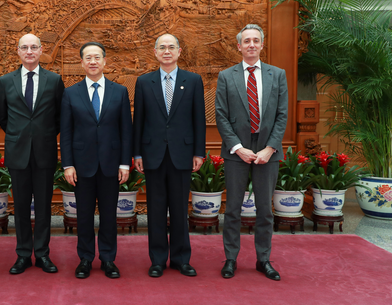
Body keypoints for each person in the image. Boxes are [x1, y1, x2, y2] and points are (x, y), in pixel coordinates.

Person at [215, 24, 288, 281]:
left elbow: (282, 115)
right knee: (233, 209)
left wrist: (270, 148)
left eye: (256, 40)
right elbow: (221, 116)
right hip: (237, 151)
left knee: (265, 210)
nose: (251, 45)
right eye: (246, 41)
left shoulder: (277, 74)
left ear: (262, 45)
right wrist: (238, 148)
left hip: (268, 150)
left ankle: (263, 260)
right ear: (239, 46)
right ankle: (230, 259)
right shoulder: (226, 76)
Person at [133, 34, 206, 278]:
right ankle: (157, 260)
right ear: (155, 52)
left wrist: (198, 152)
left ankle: (180, 259)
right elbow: (138, 120)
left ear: (179, 51)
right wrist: (137, 153)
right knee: (155, 210)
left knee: (179, 209)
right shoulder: (144, 82)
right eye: (162, 47)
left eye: (171, 47)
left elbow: (199, 119)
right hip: (152, 154)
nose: (167, 51)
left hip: (182, 154)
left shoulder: (193, 80)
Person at [60, 42, 132, 279]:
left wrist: (125, 163)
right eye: (88, 58)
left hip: (111, 164)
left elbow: (126, 130)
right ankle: (85, 258)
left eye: (97, 57)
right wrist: (68, 165)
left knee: (109, 215)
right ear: (82, 63)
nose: (93, 62)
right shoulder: (71, 93)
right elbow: (66, 132)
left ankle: (108, 259)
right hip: (82, 165)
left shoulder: (119, 91)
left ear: (104, 61)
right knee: (84, 215)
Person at [0, 33, 65, 274]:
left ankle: (43, 253)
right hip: (18, 153)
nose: (29, 51)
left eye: (33, 47)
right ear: (18, 51)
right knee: (21, 206)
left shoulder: (54, 80)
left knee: (44, 206)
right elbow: (3, 117)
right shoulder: (6, 81)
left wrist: (41, 135)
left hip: (44, 152)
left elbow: (59, 117)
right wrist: (21, 136)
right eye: (24, 47)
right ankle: (23, 254)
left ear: (41, 50)